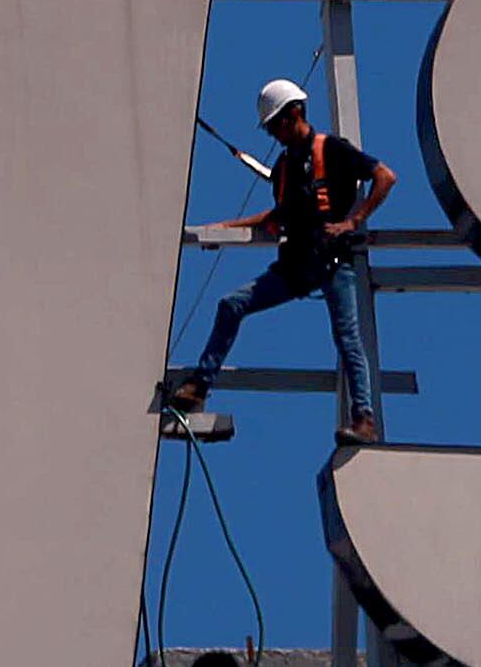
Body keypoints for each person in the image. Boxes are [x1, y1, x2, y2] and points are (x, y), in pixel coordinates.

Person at [165, 78, 396, 444]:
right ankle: (199, 386)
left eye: (277, 125)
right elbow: (278, 217)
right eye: (270, 128)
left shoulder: (332, 150)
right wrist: (226, 228)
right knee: (232, 304)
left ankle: (364, 420)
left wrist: (353, 221)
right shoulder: (285, 169)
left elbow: (385, 176)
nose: (274, 134)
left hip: (333, 262)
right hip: (297, 266)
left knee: (348, 339)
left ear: (295, 113)